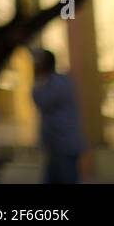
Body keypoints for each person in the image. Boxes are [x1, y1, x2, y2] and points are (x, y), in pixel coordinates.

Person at [30, 48, 86, 184]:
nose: (34, 64)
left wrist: (36, 78)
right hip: (55, 146)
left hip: (64, 145)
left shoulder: (57, 83)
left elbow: (41, 100)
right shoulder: (53, 82)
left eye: (37, 61)